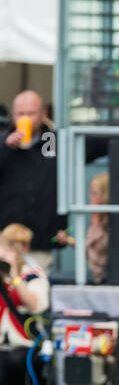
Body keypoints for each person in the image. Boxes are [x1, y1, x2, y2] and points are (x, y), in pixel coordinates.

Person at [0, 91, 68, 273]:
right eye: (21, 114)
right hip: (5, 241)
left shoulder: (52, 141)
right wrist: (6, 148)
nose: (26, 119)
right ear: (13, 116)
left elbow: (88, 145)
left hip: (41, 244)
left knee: (35, 293)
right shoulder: (3, 142)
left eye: (31, 113)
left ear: (43, 114)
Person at [0, 223, 50, 385]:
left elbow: (36, 305)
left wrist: (14, 277)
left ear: (26, 249)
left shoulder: (33, 274)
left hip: (25, 344)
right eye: (8, 246)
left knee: (15, 360)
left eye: (17, 247)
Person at [85, 172, 109, 285]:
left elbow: (97, 260)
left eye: (94, 193)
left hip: (106, 279)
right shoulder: (97, 219)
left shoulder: (108, 223)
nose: (90, 198)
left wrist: (95, 222)